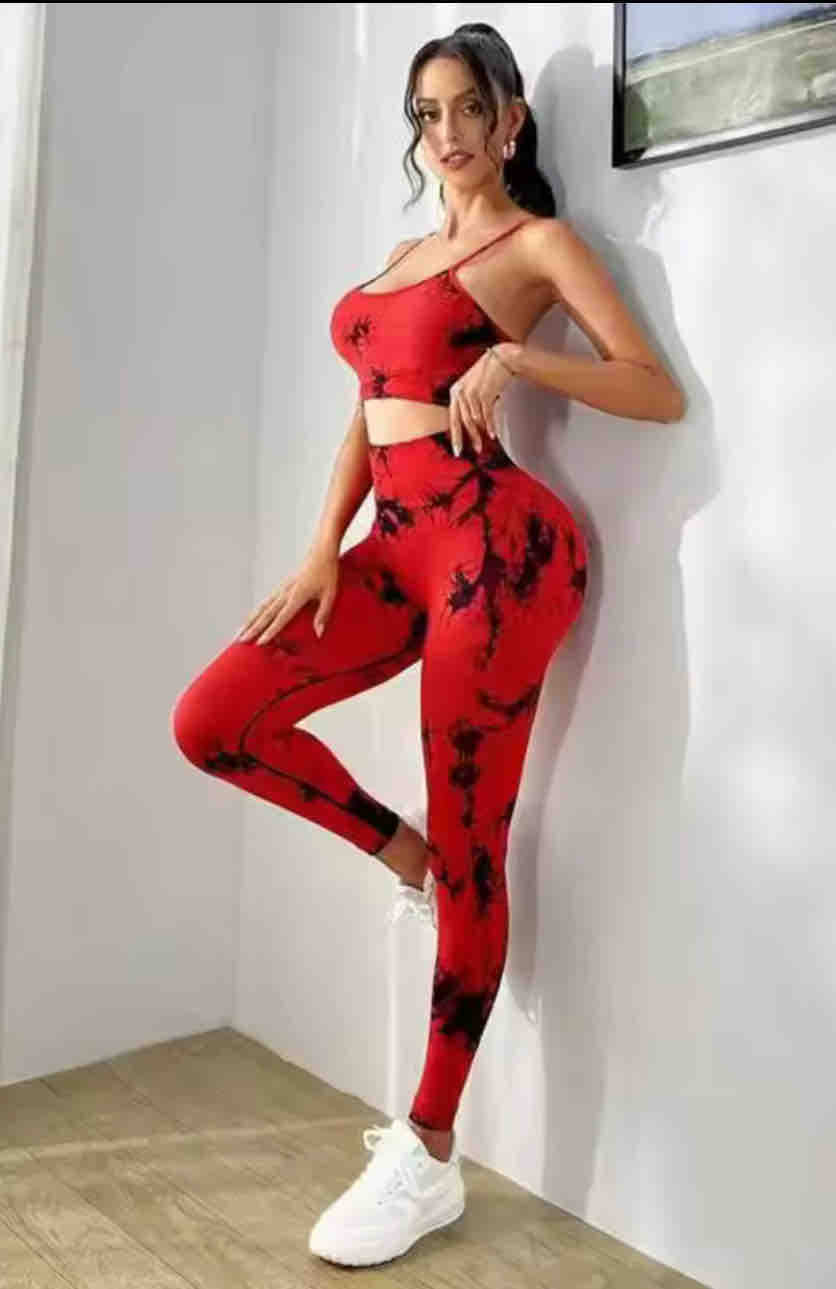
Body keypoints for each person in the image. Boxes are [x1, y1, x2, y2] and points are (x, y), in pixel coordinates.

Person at [171, 21, 684, 1269]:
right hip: (393, 543)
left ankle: (430, 1147)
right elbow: (369, 412)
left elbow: (652, 386)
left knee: (475, 836)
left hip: (498, 551)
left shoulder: (536, 245)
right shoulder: (406, 255)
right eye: (425, 113)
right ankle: (407, 854)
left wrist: (519, 358)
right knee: (214, 720)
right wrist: (319, 548)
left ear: (509, 120)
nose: (444, 133)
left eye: (465, 108)